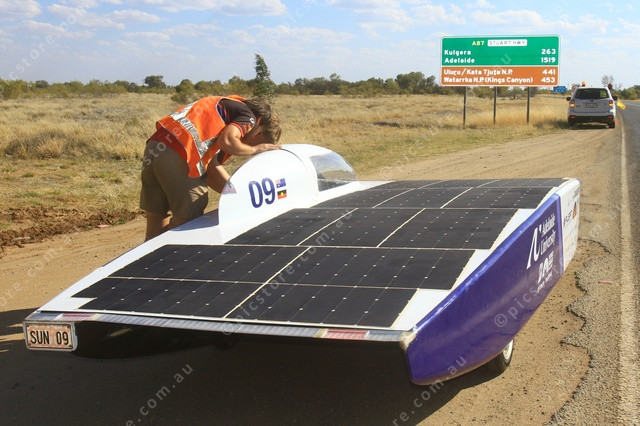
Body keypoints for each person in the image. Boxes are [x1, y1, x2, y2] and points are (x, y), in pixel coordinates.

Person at [140, 95, 281, 240]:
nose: (248, 143)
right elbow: (228, 141)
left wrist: (237, 195)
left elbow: (211, 171)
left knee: (157, 215)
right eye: (256, 141)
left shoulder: (225, 109)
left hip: (155, 148)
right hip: (180, 154)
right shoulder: (249, 117)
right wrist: (255, 150)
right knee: (188, 219)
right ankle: (174, 250)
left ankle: (150, 253)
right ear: (260, 130)